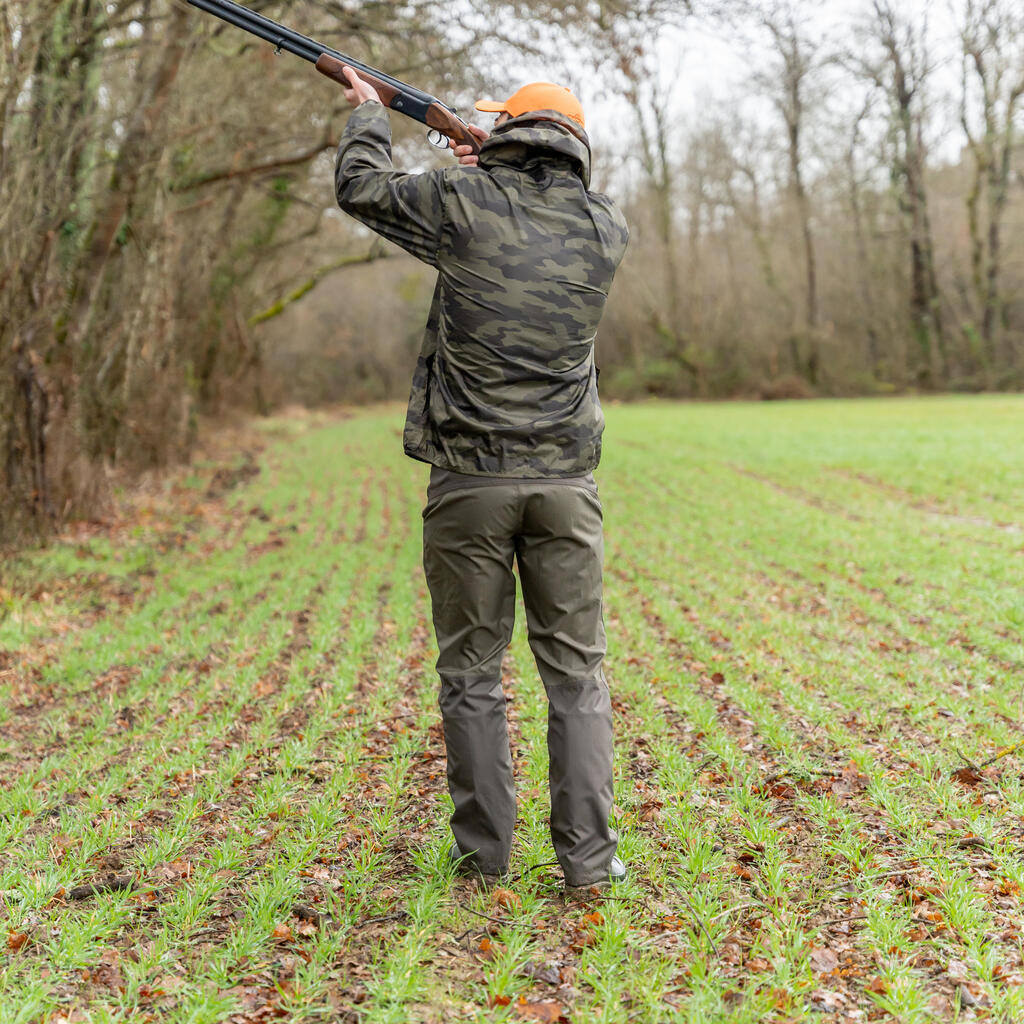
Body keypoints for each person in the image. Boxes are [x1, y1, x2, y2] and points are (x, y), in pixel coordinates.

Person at [334, 68, 629, 891]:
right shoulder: (606, 227)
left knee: (471, 670)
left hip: (470, 481)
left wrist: (368, 113)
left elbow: (363, 187)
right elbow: (523, 208)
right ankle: (590, 865)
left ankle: (483, 860)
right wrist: (486, 155)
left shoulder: (462, 208)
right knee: (575, 675)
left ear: (508, 135)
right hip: (567, 484)